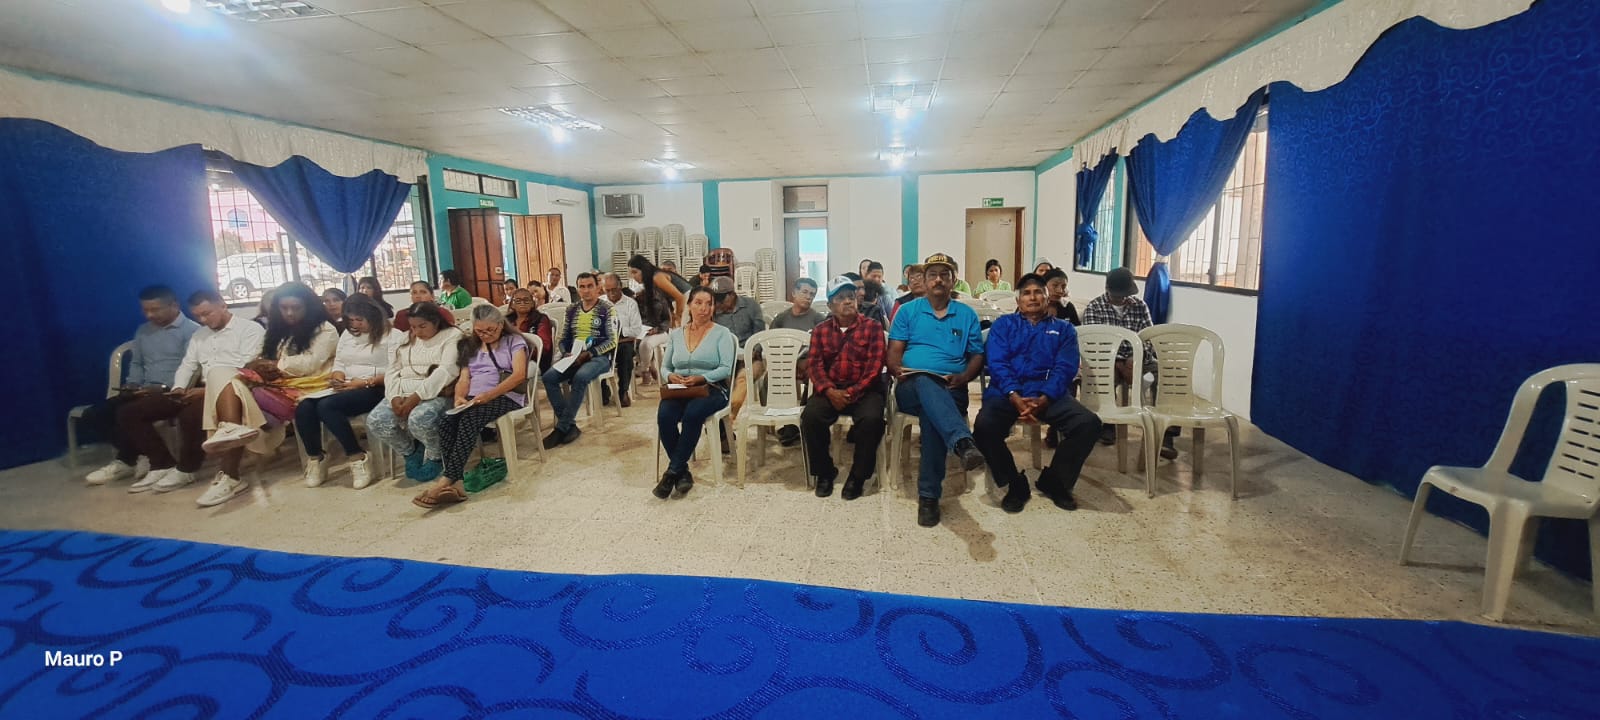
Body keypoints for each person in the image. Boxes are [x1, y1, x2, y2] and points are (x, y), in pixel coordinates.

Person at [197, 282, 338, 507]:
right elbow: (255, 359)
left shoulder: (325, 330)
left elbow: (309, 364)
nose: (289, 313)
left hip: (302, 392)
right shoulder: (276, 330)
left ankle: (229, 472)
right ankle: (230, 449)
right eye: (284, 308)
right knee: (218, 373)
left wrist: (274, 365)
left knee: (229, 395)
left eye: (296, 308)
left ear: (308, 306)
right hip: (269, 388)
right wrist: (258, 365)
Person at [973, 273, 1103, 513]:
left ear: (1047, 297)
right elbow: (998, 363)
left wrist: (1046, 397)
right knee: (983, 428)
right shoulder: (1003, 325)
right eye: (1026, 293)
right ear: (1018, 300)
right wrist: (1014, 394)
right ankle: (1014, 484)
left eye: (1038, 292)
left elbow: (1066, 367)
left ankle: (1055, 481)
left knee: (1088, 424)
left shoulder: (1064, 329)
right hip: (1005, 393)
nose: (1032, 297)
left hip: (1049, 394)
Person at [120, 290, 265, 495]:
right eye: (197, 316)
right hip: (200, 388)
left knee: (191, 414)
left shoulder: (249, 329)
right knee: (129, 412)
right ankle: (161, 463)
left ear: (222, 305)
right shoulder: (200, 335)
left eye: (207, 314)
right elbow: (188, 365)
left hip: (234, 388)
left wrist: (205, 391)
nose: (202, 320)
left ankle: (187, 469)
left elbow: (245, 368)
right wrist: (179, 388)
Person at [888, 252, 987, 528]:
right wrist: (897, 369)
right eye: (933, 275)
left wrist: (964, 376)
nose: (938, 280)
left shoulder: (966, 314)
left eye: (945, 274)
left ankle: (929, 498)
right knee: (924, 381)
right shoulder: (908, 311)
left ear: (954, 280)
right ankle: (962, 442)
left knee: (932, 417)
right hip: (911, 387)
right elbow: (893, 353)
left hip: (952, 387)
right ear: (924, 279)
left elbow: (977, 355)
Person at [412, 304, 530, 509]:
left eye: (490, 330)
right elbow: (464, 378)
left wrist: (490, 395)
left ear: (501, 325)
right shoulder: (470, 346)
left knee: (469, 419)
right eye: (480, 331)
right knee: (447, 421)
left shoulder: (514, 341)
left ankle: (447, 480)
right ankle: (457, 484)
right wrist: (459, 397)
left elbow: (519, 375)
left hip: (505, 395)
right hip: (475, 398)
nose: (485, 335)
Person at [83, 286, 201, 486]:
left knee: (129, 413)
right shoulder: (143, 331)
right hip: (144, 389)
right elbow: (137, 363)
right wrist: (132, 383)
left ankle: (161, 462)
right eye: (145, 310)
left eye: (155, 310)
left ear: (174, 305)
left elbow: (192, 368)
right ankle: (132, 457)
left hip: (174, 391)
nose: (149, 315)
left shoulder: (193, 332)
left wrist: (164, 388)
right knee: (96, 414)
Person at [297, 294, 402, 490]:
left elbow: (395, 370)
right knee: (305, 407)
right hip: (347, 385)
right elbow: (340, 362)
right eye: (350, 320)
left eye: (359, 320)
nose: (355, 324)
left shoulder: (393, 335)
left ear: (372, 315)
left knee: (327, 406)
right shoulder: (348, 334)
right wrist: (337, 376)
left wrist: (363, 383)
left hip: (377, 386)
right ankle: (316, 457)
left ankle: (357, 456)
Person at [800, 277, 887, 500]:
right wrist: (830, 391)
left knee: (872, 420)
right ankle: (825, 472)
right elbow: (815, 365)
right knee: (811, 416)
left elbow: (875, 366)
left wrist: (851, 392)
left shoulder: (873, 327)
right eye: (840, 298)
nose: (847, 301)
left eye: (850, 296)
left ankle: (858, 476)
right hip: (831, 389)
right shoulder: (820, 331)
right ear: (830, 305)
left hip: (865, 390)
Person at [1081, 267, 1178, 458]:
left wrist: (1136, 359)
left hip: (1137, 357)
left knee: (1167, 376)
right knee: (1102, 378)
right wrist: (1119, 363)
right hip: (1107, 360)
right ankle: (1107, 423)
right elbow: (1095, 344)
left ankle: (1166, 432)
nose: (1122, 299)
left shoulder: (1140, 306)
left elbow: (1148, 338)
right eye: (1118, 295)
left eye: (1125, 295)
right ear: (1107, 289)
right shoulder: (1095, 308)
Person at [654, 286, 737, 500]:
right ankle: (682, 472)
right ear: (689, 305)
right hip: (681, 389)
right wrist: (670, 376)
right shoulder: (676, 334)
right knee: (665, 415)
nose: (704, 308)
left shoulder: (722, 333)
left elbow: (726, 368)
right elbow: (665, 367)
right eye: (698, 303)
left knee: (693, 413)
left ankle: (671, 472)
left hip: (712, 388)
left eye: (709, 304)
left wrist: (702, 377)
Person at [366, 302, 462, 482]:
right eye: (413, 327)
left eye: (422, 326)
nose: (417, 332)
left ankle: (436, 456)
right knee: (377, 420)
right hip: (402, 390)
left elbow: (446, 371)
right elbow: (392, 370)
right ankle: (410, 451)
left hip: (437, 392)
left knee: (419, 419)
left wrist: (416, 397)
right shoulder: (404, 339)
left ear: (435, 322)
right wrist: (393, 396)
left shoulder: (452, 336)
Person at [541, 272, 617, 448]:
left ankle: (561, 428)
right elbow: (563, 338)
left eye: (590, 286)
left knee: (580, 377)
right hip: (573, 356)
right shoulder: (572, 309)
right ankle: (570, 426)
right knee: (548, 377)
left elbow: (612, 341)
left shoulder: (607, 309)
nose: (586, 290)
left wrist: (589, 354)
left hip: (598, 357)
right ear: (577, 289)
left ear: (597, 288)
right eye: (582, 287)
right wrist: (566, 352)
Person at [712, 276, 766, 421]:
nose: (718, 303)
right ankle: (720, 421)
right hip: (726, 359)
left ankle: (730, 417)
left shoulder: (751, 306)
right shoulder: (714, 312)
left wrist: (754, 350)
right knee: (718, 383)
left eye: (721, 299)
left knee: (743, 378)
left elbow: (760, 334)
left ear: (732, 295)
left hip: (751, 358)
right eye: (716, 299)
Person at [601, 272, 644, 408]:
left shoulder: (630, 303)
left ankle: (623, 391)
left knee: (625, 354)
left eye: (614, 289)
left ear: (620, 286)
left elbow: (636, 329)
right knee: (596, 355)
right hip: (604, 342)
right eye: (607, 290)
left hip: (623, 342)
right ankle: (603, 391)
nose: (611, 293)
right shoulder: (600, 303)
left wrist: (618, 331)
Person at [505, 288, 554, 373]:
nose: (522, 303)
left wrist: (520, 352)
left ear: (532, 303)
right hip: (507, 357)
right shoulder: (506, 320)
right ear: (512, 304)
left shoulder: (540, 319)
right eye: (518, 301)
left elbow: (544, 347)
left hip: (534, 360)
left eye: (526, 300)